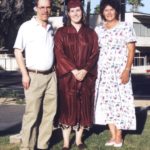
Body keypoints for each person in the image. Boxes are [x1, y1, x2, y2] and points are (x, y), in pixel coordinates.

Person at [54, 0, 99, 149]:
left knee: (83, 107)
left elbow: (94, 54)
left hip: (86, 78)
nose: (75, 13)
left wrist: (85, 70)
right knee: (67, 108)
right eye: (72, 11)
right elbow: (59, 54)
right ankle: (66, 142)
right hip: (67, 77)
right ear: (68, 13)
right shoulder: (61, 32)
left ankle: (79, 140)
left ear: (82, 12)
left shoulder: (91, 33)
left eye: (78, 10)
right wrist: (73, 70)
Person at [14, 0, 57, 149]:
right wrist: (24, 74)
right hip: (34, 76)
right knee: (31, 115)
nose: (45, 10)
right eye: (42, 7)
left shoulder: (51, 28)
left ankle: (43, 145)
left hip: (51, 76)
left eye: (47, 7)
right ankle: (27, 146)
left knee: (49, 114)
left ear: (51, 9)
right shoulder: (26, 27)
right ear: (36, 8)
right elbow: (18, 51)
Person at [94, 0, 136, 148]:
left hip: (120, 73)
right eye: (106, 10)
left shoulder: (126, 27)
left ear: (116, 11)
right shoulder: (98, 30)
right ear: (102, 13)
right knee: (106, 104)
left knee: (120, 104)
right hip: (103, 74)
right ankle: (112, 135)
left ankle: (119, 135)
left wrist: (127, 70)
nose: (109, 13)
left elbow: (131, 50)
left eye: (112, 10)